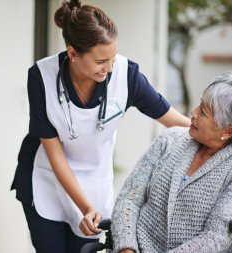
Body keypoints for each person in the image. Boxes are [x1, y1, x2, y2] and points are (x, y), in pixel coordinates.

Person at [10, 0, 191, 252]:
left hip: (94, 179)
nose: (109, 68)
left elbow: (173, 120)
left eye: (113, 58)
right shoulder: (41, 77)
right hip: (46, 177)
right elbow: (55, 154)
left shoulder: (126, 75)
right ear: (73, 53)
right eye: (100, 61)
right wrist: (84, 207)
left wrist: (227, 140)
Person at [111, 72, 232, 253]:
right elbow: (129, 198)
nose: (193, 113)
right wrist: (126, 248)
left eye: (203, 112)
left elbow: (215, 238)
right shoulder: (170, 139)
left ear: (227, 131)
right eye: (199, 104)